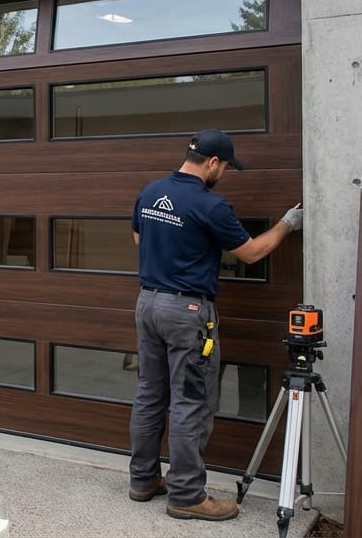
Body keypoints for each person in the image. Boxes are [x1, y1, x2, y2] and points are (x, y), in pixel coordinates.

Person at [127, 129, 303, 521]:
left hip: (148, 304)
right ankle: (187, 495)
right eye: (224, 166)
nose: (224, 172)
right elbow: (253, 252)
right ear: (211, 163)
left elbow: (142, 240)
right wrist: (287, 224)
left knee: (150, 394)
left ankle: (142, 480)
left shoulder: (151, 191)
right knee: (191, 400)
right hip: (187, 313)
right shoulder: (211, 205)